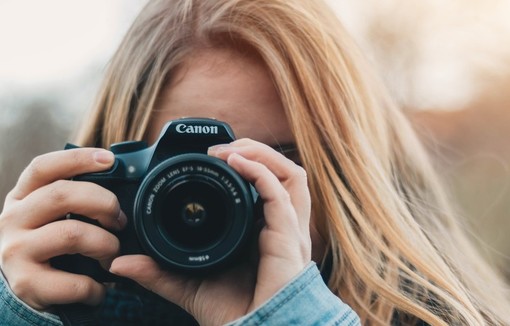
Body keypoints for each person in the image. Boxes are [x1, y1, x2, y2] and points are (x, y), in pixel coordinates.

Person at [1, 0, 509, 325]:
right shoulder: (65, 301)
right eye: (186, 168)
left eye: (277, 161)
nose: (235, 194)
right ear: (113, 173)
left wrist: (293, 321)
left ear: (352, 174)